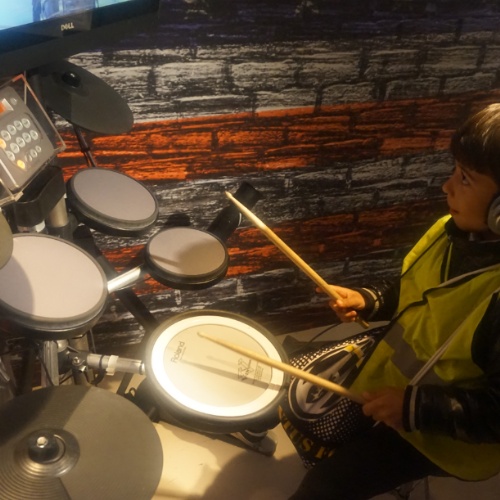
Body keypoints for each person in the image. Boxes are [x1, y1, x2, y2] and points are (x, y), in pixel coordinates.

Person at [284, 103, 500, 499]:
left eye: (465, 179)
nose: (447, 186)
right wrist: (369, 300)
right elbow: (416, 291)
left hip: (443, 432)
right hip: (397, 382)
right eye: (454, 171)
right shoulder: (449, 230)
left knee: (326, 485)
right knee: (294, 378)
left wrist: (415, 408)